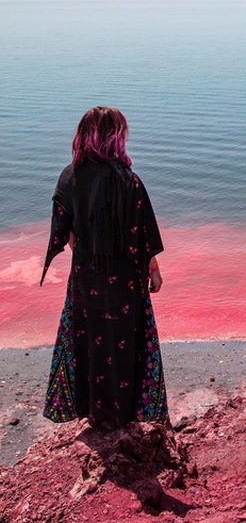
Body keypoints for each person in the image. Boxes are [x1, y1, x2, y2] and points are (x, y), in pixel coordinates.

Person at [41, 106, 168, 429]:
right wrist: (153, 271)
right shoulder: (129, 180)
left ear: (84, 136)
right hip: (126, 280)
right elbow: (143, 238)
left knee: (88, 340)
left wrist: (90, 256)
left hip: (87, 277)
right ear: (116, 137)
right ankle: (126, 414)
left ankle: (92, 412)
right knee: (128, 342)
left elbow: (67, 236)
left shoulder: (70, 176)